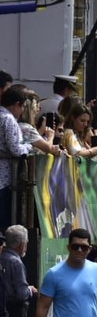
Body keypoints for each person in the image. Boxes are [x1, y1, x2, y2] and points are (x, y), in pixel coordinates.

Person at [0, 86, 34, 230]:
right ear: (17, 105)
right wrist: (29, 147)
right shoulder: (8, 119)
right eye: (22, 107)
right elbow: (15, 149)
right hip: (5, 178)